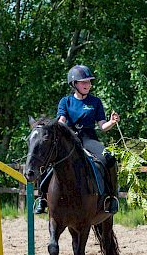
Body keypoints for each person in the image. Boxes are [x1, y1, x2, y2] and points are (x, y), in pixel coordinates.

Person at [34, 64, 120, 214]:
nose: (88, 85)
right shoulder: (65, 101)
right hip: (69, 138)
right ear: (74, 84)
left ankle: (111, 197)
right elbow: (61, 121)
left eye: (89, 82)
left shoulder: (96, 102)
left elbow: (102, 126)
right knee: (47, 158)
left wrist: (112, 122)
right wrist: (60, 126)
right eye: (84, 82)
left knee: (109, 158)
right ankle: (42, 198)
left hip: (89, 138)